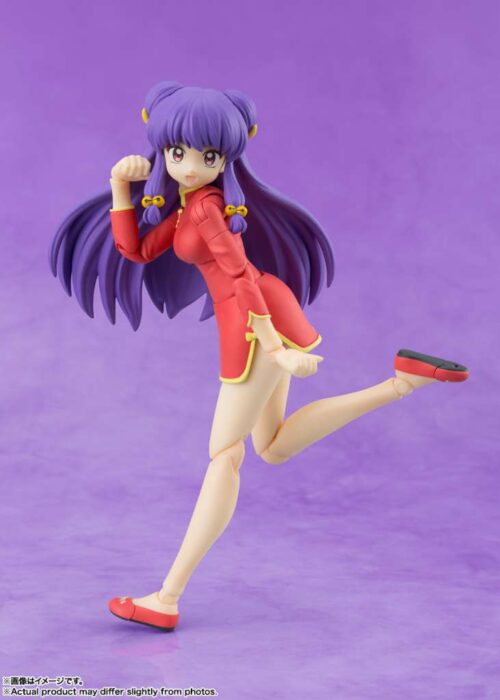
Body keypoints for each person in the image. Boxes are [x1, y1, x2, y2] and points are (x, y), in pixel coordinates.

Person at [50, 81, 469, 632]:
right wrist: (119, 187)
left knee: (224, 457)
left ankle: (167, 598)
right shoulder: (189, 205)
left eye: (208, 156)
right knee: (271, 446)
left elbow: (241, 275)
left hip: (253, 321)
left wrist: (273, 347)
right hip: (264, 315)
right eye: (178, 152)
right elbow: (136, 250)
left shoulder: (206, 210)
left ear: (226, 157)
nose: (191, 166)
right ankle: (401, 383)